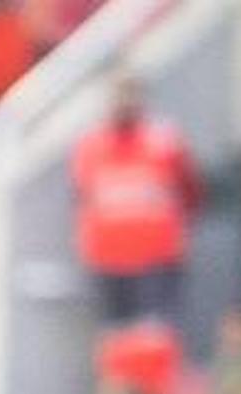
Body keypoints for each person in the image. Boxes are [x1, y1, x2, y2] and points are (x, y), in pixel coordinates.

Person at [70, 73, 200, 330]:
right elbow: (80, 194)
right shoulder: (91, 145)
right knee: (114, 338)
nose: (124, 103)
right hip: (106, 259)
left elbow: (191, 192)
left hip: (157, 260)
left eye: (130, 96)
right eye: (118, 96)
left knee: (155, 336)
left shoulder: (165, 142)